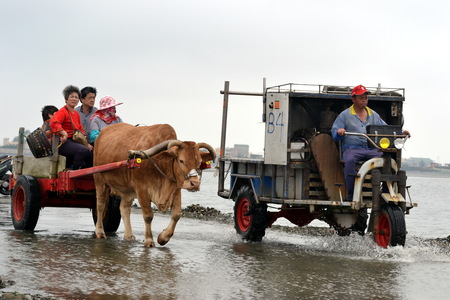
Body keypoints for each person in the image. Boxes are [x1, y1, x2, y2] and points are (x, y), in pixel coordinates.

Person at [331, 84, 409, 200]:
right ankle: (351, 193)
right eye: (361, 98)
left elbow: (387, 129)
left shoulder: (373, 114)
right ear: (353, 99)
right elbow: (334, 132)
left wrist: (401, 133)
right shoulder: (345, 115)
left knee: (388, 160)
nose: (364, 100)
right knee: (350, 160)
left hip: (371, 149)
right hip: (352, 149)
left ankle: (386, 191)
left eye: (365, 98)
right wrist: (339, 132)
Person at [50, 85, 94, 169]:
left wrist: (86, 143)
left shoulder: (76, 113)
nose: (74, 99)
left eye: (76, 97)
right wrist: (64, 134)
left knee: (90, 151)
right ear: (66, 99)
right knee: (83, 150)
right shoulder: (62, 111)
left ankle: (87, 174)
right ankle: (72, 170)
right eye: (72, 97)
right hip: (64, 142)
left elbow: (80, 129)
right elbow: (54, 123)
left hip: (74, 140)